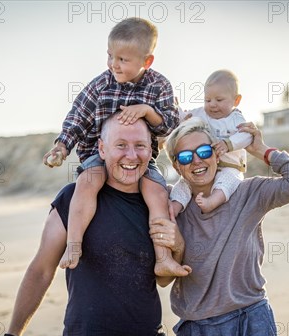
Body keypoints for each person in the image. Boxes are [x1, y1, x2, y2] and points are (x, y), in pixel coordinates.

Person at [0, 115, 184, 336]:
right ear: (101, 149)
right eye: (121, 145)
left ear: (152, 150)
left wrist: (177, 244)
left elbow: (163, 279)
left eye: (140, 145)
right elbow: (41, 269)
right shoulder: (72, 199)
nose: (131, 155)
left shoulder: (161, 203)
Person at [155, 117, 289, 336]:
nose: (197, 161)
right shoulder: (170, 207)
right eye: (185, 156)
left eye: (204, 151)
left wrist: (262, 150)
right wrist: (178, 246)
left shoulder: (248, 192)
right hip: (197, 333)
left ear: (217, 153)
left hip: (251, 322)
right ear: (177, 165)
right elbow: (162, 280)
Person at [42, 17, 189, 277]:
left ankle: (163, 258)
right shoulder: (100, 85)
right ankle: (74, 244)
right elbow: (77, 117)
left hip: (141, 160)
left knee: (157, 193)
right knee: (87, 183)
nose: (113, 64)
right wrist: (62, 147)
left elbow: (169, 126)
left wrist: (147, 111)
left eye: (122, 59)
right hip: (98, 157)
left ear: (147, 61)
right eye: (110, 56)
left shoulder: (159, 86)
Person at [171, 70, 252, 214]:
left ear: (236, 100)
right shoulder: (201, 113)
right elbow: (186, 117)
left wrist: (228, 144)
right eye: (207, 100)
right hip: (206, 164)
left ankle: (212, 202)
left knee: (228, 181)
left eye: (219, 100)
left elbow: (246, 136)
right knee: (184, 184)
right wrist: (177, 110)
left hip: (230, 166)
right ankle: (174, 207)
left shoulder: (236, 118)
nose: (212, 105)